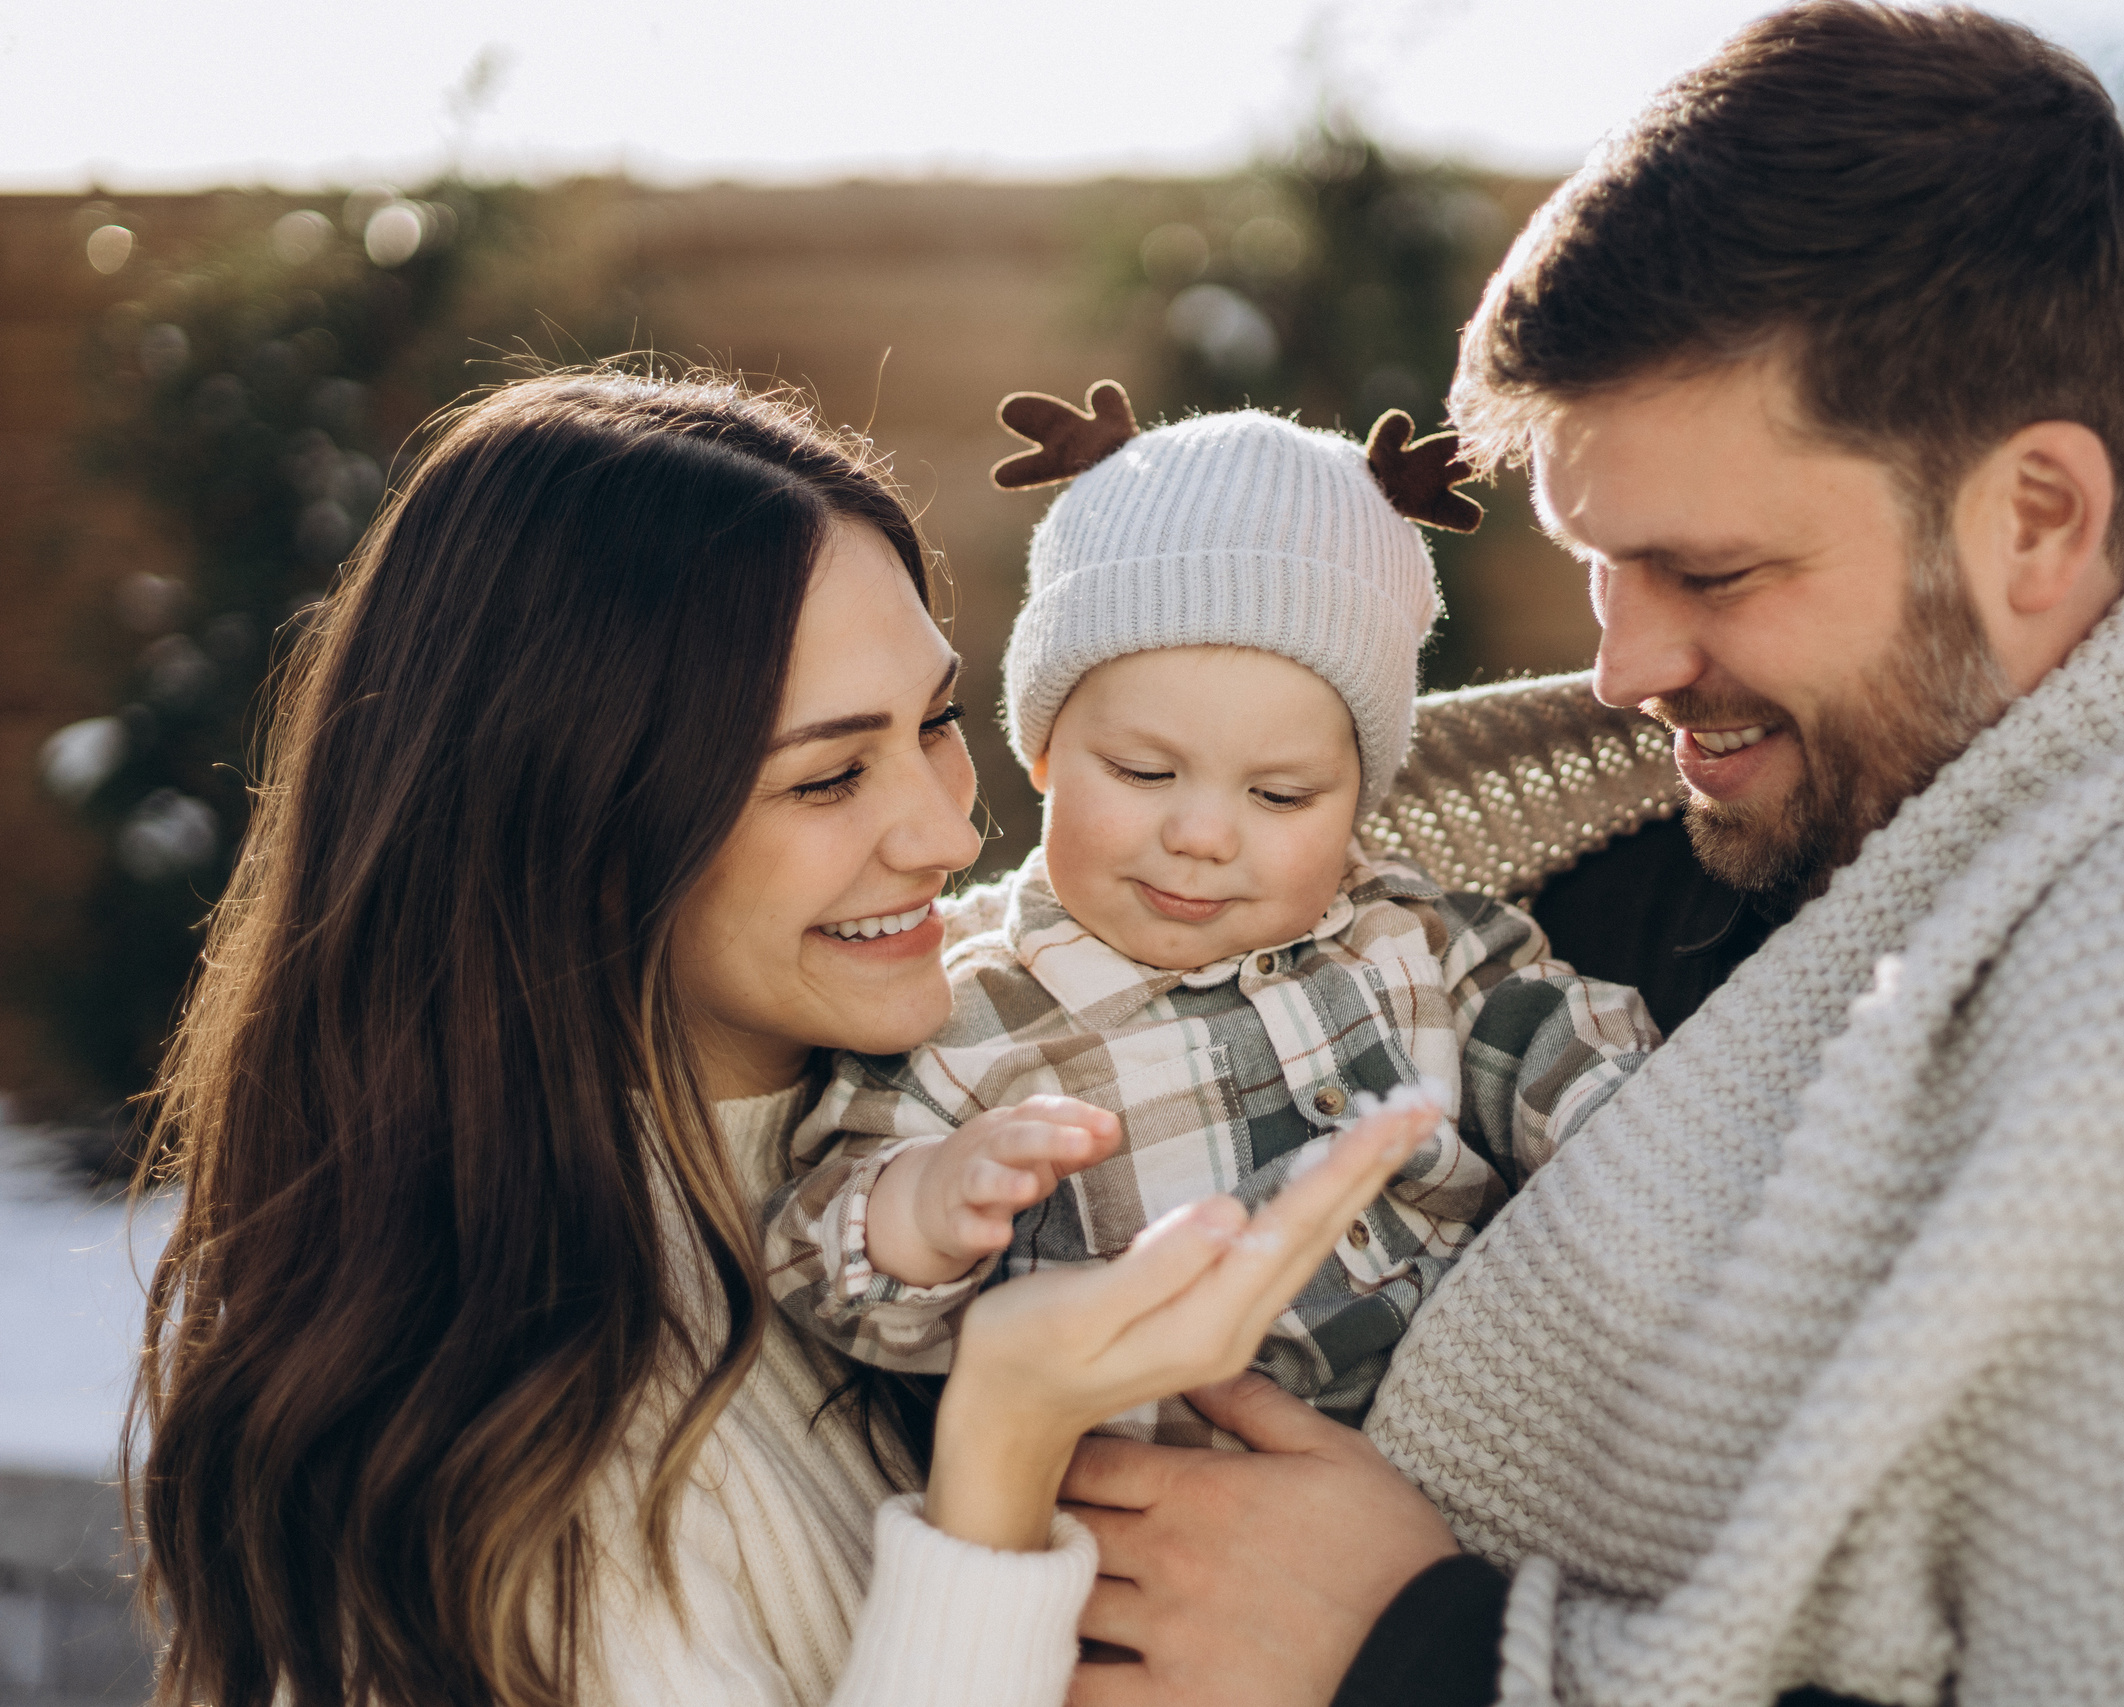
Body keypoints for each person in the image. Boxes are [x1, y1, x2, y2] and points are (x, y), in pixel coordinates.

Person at [1053, 8, 2124, 1705]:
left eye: (1714, 571)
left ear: (2036, 517)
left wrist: (1425, 1654)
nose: (1624, 666)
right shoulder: (1580, 853)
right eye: (1598, 561)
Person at [124, 368, 1436, 1707]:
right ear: (581, 837)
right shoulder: (493, 1469)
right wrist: (1004, 1438)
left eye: (936, 719)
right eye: (825, 776)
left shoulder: (1014, 1064)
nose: (945, 831)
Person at [763, 393, 1657, 1445]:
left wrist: (1645, 1152)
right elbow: (816, 1255)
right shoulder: (964, 1021)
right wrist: (918, 1211)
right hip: (1152, 1522)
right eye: (1142, 772)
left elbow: (1576, 1065)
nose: (1201, 835)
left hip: (1470, 1451)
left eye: (1279, 798)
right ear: (1042, 752)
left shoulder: (1411, 939)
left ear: (1357, 797)